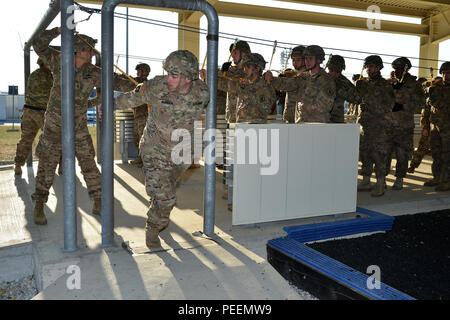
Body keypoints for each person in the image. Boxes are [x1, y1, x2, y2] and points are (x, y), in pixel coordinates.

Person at [31, 27, 136, 225]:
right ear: (79, 50)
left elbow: (118, 82)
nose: (91, 53)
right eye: (89, 50)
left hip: (78, 125)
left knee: (88, 162)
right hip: (55, 124)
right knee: (47, 163)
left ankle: (97, 199)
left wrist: (139, 85)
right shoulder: (60, 62)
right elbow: (38, 45)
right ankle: (39, 202)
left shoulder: (93, 72)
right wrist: (58, 31)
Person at [114, 50, 210, 248]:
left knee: (163, 192)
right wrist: (107, 105)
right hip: (154, 148)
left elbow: (204, 106)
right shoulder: (156, 86)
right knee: (166, 198)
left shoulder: (202, 92)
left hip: (181, 153)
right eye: (167, 73)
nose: (168, 79)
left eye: (173, 75)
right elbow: (130, 98)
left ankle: (157, 207)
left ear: (187, 78)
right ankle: (153, 227)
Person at [355, 55, 395, 197]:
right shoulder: (364, 84)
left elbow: (390, 106)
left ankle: (380, 183)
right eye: (367, 66)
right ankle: (366, 180)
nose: (368, 69)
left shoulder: (385, 85)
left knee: (379, 156)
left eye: (371, 66)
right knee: (365, 154)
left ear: (378, 68)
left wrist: (370, 106)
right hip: (365, 126)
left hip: (380, 127)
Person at [264, 45, 336, 123]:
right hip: (300, 123)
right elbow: (288, 84)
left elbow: (326, 106)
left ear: (319, 60)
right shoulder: (303, 77)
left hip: (317, 125)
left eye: (310, 58)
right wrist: (272, 79)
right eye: (306, 58)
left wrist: (305, 106)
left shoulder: (327, 80)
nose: (307, 61)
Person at [384, 57, 426, 190]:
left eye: (399, 69)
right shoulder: (391, 83)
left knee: (402, 154)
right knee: (385, 153)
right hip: (389, 124)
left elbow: (421, 103)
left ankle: (399, 178)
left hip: (404, 126)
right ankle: (382, 177)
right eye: (395, 69)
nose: (396, 71)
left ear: (406, 69)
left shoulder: (414, 84)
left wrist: (403, 105)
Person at [208, 53, 276, 124]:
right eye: (244, 67)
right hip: (241, 127)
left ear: (257, 69)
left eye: (248, 67)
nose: (245, 70)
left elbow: (265, 109)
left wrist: (249, 93)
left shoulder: (265, 88)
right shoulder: (243, 85)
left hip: (256, 129)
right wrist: (208, 77)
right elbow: (226, 84)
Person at [14, 58, 53, 176]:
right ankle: (58, 165)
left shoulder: (33, 75)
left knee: (25, 140)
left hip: (28, 110)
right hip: (42, 112)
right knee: (54, 138)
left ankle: (18, 166)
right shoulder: (50, 77)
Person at [422, 62, 450, 191]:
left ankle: (446, 181)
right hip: (435, 128)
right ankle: (437, 177)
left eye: (448, 73)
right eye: (444, 73)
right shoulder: (436, 88)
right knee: (436, 154)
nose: (446, 76)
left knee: (447, 155)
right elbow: (428, 110)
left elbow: (442, 105)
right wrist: (426, 126)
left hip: (448, 129)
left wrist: (434, 98)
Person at [407, 78, 436, 173]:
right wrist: (425, 127)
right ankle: (413, 166)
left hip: (442, 127)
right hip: (429, 126)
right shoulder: (428, 100)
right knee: (422, 147)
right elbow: (424, 116)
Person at [221, 40, 251, 124]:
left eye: (235, 53)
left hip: (245, 121)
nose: (232, 56)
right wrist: (222, 72)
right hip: (231, 120)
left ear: (244, 54)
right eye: (232, 53)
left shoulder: (251, 72)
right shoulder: (230, 71)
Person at [326, 55, 362, 123]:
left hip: (336, 121)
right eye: (331, 70)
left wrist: (341, 91)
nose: (334, 73)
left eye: (337, 71)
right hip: (320, 120)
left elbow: (358, 99)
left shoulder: (344, 82)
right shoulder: (322, 78)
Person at [279, 45, 307, 123]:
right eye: (293, 60)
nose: (295, 63)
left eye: (298, 60)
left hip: (301, 118)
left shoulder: (308, 76)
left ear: (305, 60)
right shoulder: (290, 74)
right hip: (288, 116)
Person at [130, 63, 151, 167]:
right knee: (136, 137)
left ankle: (145, 160)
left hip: (144, 115)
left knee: (143, 139)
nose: (137, 72)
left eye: (139, 70)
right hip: (136, 114)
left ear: (145, 72)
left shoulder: (148, 84)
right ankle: (140, 157)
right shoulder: (135, 82)